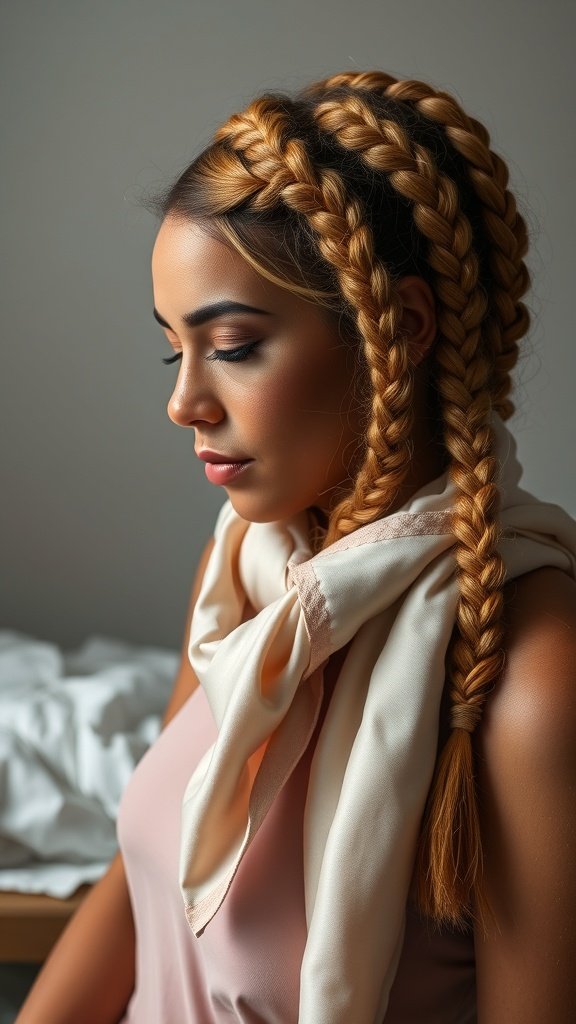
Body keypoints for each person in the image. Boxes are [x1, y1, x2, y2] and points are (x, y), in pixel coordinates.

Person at [16, 70, 576, 1024]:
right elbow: (141, 887)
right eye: (174, 349)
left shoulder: (534, 676)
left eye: (233, 345)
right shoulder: (246, 566)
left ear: (399, 330)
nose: (184, 402)